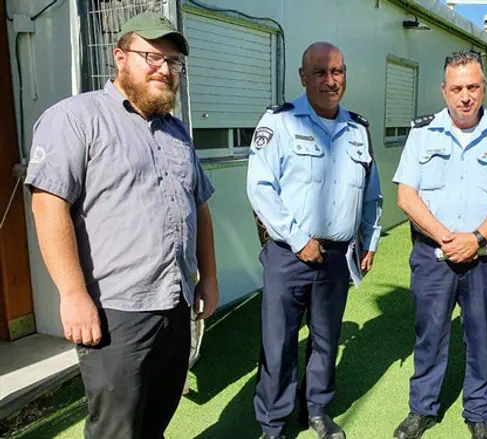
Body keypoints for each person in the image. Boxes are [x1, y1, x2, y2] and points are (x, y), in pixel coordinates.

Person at [24, 11, 218, 439]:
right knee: (117, 428)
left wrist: (208, 278)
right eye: (152, 56)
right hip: (117, 311)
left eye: (173, 62)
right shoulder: (76, 118)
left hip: (174, 302)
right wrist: (73, 295)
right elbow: (48, 205)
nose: (164, 69)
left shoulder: (176, 132)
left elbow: (198, 206)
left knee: (157, 416)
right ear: (119, 57)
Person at [246, 41, 383, 439]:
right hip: (289, 255)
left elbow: (371, 193)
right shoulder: (280, 123)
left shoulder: (358, 129)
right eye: (320, 72)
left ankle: (317, 410)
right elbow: (260, 188)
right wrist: (298, 238)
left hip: (337, 257)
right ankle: (273, 423)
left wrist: (370, 240)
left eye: (337, 71)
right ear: (303, 78)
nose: (330, 80)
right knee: (279, 343)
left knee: (326, 340)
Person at [391, 50, 487, 439]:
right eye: (457, 88)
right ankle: (422, 409)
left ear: (484, 87)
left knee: (483, 335)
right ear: (444, 90)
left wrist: (477, 238)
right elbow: (407, 195)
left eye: (472, 87)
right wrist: (448, 238)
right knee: (429, 333)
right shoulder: (422, 133)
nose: (465, 96)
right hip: (434, 253)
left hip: (485, 255)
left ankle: (480, 414)